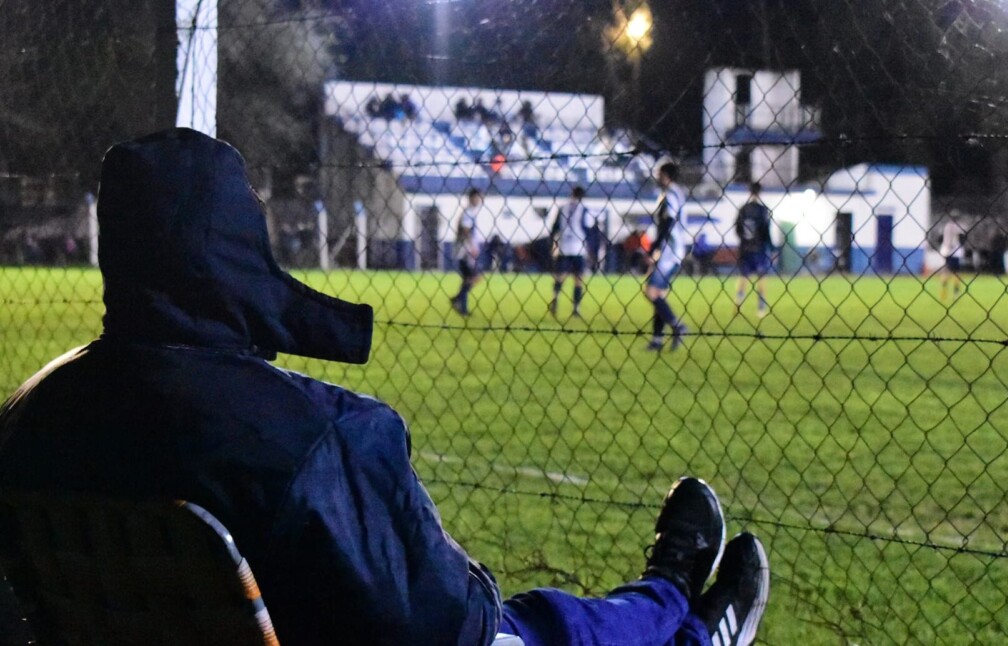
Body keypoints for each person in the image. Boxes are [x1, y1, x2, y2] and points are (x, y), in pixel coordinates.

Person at [0, 128, 769, 646]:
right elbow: (454, 626)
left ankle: (671, 598)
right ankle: (683, 613)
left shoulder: (27, 417)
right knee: (540, 626)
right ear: (237, 248)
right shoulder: (318, 436)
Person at [644, 162, 689, 352]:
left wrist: (654, 246)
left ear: (665, 175)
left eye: (659, 173)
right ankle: (657, 340)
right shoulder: (677, 193)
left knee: (650, 291)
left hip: (669, 250)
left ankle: (677, 325)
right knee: (659, 295)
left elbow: (669, 220)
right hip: (674, 249)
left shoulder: (670, 194)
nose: (657, 176)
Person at [550, 186, 592, 317]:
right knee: (578, 279)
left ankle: (555, 298)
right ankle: (576, 308)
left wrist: (554, 244)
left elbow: (554, 227)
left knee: (560, 276)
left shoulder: (563, 208)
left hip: (564, 246)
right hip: (578, 247)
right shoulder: (584, 210)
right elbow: (588, 229)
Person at [733, 182, 773, 318]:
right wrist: (771, 246)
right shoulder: (763, 210)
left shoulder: (743, 209)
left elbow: (737, 229)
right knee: (761, 277)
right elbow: (766, 230)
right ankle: (761, 309)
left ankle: (738, 303)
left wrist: (744, 241)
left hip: (745, 248)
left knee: (743, 276)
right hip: (759, 248)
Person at [451, 188, 486, 316]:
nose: (478, 200)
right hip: (465, 251)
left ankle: (461, 304)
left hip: (466, 250)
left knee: (468, 278)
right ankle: (459, 302)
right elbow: (466, 231)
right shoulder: (468, 213)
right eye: (476, 197)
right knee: (473, 277)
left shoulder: (470, 212)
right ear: (471, 198)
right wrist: (472, 247)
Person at [938, 212, 966, 301]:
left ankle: (943, 293)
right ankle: (956, 293)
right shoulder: (959, 227)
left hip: (946, 250)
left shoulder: (946, 226)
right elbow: (962, 238)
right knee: (956, 273)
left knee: (946, 271)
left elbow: (940, 238)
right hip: (955, 251)